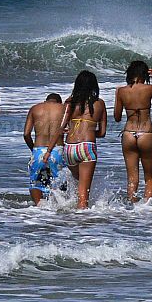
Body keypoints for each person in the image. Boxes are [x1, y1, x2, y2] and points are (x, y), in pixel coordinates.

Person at [45, 71, 107, 210]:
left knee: (79, 184)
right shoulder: (100, 104)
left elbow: (60, 129)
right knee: (84, 195)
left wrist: (48, 151)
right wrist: (89, 131)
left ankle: (69, 214)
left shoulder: (69, 102)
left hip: (70, 149)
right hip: (86, 147)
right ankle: (82, 226)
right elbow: (102, 133)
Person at [113, 60, 152, 203]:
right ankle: (146, 210)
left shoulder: (121, 91)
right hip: (146, 133)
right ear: (144, 74)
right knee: (150, 177)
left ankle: (132, 208)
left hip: (128, 134)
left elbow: (117, 117)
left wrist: (118, 97)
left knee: (132, 178)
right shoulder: (149, 89)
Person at [23, 93, 66, 205]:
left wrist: (33, 149)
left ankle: (40, 209)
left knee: (36, 183)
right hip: (58, 151)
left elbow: (26, 134)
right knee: (61, 184)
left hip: (38, 151)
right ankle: (59, 209)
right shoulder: (64, 109)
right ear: (59, 102)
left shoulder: (35, 108)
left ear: (45, 101)